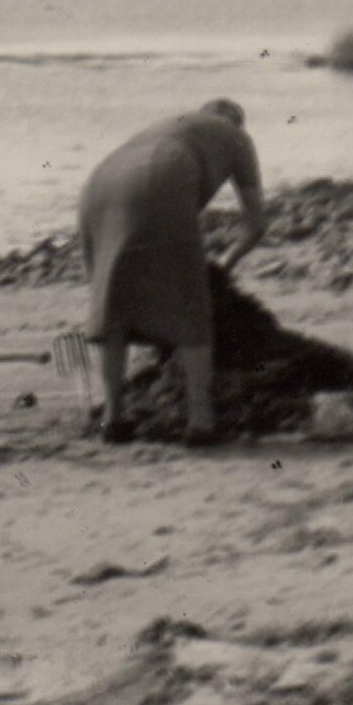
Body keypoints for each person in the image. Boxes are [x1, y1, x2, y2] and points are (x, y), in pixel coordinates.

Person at [77, 98, 266, 446]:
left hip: (99, 183)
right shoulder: (236, 136)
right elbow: (256, 225)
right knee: (190, 308)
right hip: (165, 170)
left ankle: (114, 418)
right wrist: (224, 265)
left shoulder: (174, 124)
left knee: (114, 306)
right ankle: (201, 421)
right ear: (235, 121)